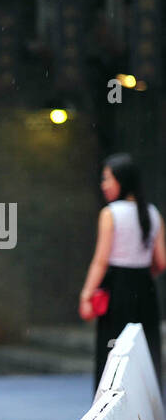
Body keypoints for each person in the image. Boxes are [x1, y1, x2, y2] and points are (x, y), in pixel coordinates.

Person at [79, 153, 165, 394]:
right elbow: (161, 261)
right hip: (145, 288)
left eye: (108, 179)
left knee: (112, 351)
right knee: (145, 352)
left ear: (122, 180)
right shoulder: (153, 213)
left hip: (117, 290)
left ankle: (108, 403)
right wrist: (144, 275)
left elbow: (101, 261)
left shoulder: (110, 213)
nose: (103, 185)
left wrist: (86, 295)